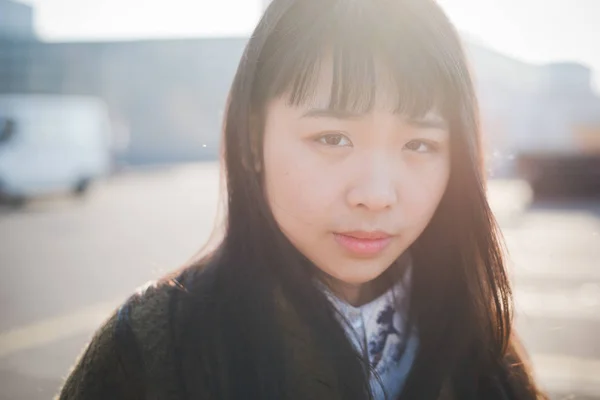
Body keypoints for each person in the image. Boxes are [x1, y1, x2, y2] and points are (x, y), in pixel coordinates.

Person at [57, 0, 547, 399]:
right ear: (252, 143)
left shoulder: (483, 343)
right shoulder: (151, 349)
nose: (375, 195)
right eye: (332, 138)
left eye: (419, 145)